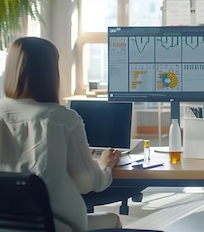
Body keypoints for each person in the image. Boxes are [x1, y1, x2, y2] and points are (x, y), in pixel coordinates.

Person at [0, 37, 123, 232]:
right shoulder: (61, 120)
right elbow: (88, 183)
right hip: (58, 227)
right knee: (112, 220)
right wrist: (105, 164)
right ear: (50, 72)